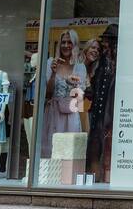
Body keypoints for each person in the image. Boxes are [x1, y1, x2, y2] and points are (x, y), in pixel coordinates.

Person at [40, 30, 87, 158]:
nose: (66, 45)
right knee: (52, 150)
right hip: (53, 112)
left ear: (75, 45)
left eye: (69, 42)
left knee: (70, 152)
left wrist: (73, 85)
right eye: (63, 42)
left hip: (71, 113)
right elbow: (47, 94)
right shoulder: (51, 62)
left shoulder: (80, 67)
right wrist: (54, 73)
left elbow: (80, 101)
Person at [84, 24, 118, 182]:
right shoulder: (99, 62)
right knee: (94, 147)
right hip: (97, 112)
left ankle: (106, 180)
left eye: (107, 41)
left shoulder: (117, 62)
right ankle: (92, 179)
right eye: (104, 41)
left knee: (109, 148)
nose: (104, 44)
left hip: (110, 113)